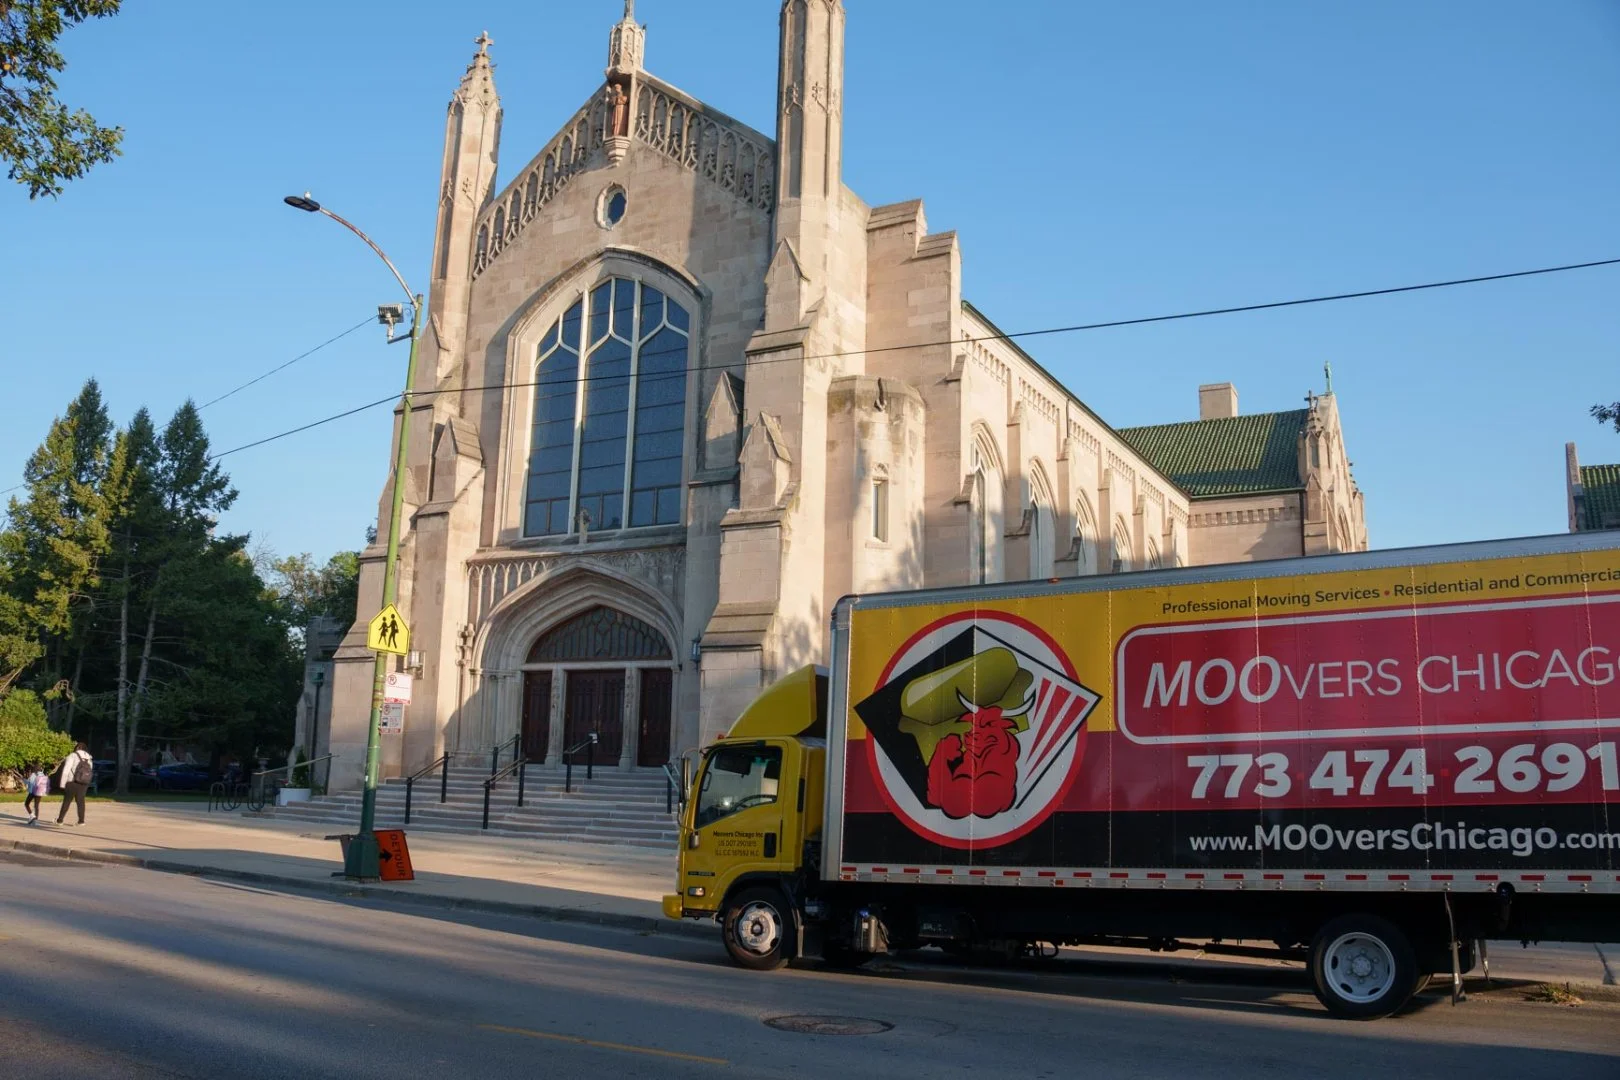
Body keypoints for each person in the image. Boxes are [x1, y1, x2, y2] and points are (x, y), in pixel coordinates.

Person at [55, 742, 93, 827]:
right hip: (84, 783)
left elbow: (66, 770)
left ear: (77, 748)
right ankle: (81, 821)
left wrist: (62, 784)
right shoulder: (89, 758)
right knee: (81, 802)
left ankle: (60, 820)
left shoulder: (73, 755)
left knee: (67, 801)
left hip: (72, 781)